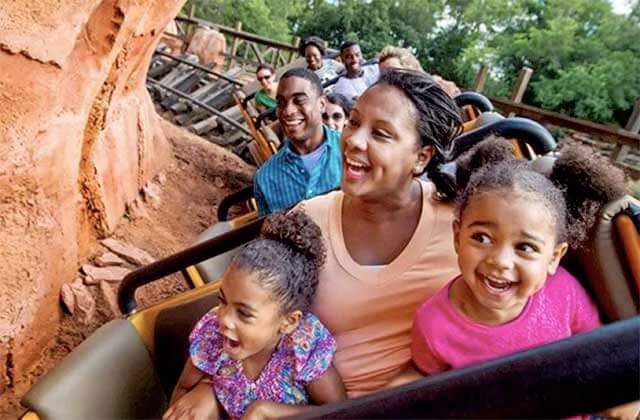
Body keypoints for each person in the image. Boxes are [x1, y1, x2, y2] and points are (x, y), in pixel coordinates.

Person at [296, 69, 463, 397]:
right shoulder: (307, 221)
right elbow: (249, 304)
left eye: (381, 134)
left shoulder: (464, 229)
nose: (354, 140)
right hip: (299, 404)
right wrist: (205, 387)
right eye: (354, 122)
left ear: (421, 157)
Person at [164, 212, 346, 420]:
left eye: (243, 313)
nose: (224, 319)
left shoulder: (302, 348)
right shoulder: (212, 336)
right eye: (222, 301)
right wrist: (206, 389)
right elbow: (183, 392)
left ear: (288, 322)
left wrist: (269, 412)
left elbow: (341, 413)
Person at [254, 68, 342, 216]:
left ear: (321, 104)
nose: (288, 111)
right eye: (281, 103)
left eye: (299, 100)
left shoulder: (352, 151)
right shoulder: (266, 178)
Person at [377, 45, 461, 97]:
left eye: (394, 73)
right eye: (383, 77)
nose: (388, 80)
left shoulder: (442, 88)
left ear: (410, 67)